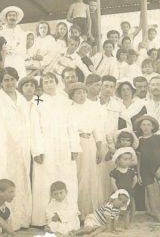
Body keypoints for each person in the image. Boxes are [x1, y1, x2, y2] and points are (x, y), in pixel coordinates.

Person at [0, 67, 43, 230]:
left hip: (21, 148)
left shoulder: (25, 102)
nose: (9, 83)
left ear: (16, 81)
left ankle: (19, 220)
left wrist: (35, 149)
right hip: (0, 148)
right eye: (6, 80)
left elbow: (32, 127)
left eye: (12, 80)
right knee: (0, 181)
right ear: (1, 82)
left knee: (20, 181)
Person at [32, 72, 80, 227]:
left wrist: (74, 146)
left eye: (51, 81)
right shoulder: (37, 101)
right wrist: (37, 150)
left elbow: (72, 125)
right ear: (42, 85)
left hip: (64, 143)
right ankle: (43, 219)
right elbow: (35, 127)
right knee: (45, 179)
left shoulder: (66, 100)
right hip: (46, 143)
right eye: (45, 82)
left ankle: (70, 218)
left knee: (67, 177)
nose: (49, 84)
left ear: (56, 82)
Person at [66, 82, 104, 220]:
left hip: (91, 143)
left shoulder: (92, 108)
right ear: (72, 96)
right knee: (80, 176)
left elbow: (97, 129)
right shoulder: (70, 109)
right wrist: (73, 147)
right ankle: (80, 212)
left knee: (92, 176)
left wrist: (99, 148)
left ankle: (92, 212)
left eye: (83, 92)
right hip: (77, 143)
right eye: (78, 93)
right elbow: (70, 129)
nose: (81, 95)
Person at [135, 115, 160, 222]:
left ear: (153, 127)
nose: (146, 127)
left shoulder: (158, 138)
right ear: (140, 127)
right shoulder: (138, 141)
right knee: (151, 194)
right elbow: (139, 159)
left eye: (148, 125)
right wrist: (139, 174)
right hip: (145, 171)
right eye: (143, 125)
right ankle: (158, 215)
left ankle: (154, 210)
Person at [110, 147, 137, 227]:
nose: (127, 161)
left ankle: (128, 223)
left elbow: (135, 180)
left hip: (128, 192)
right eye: (125, 159)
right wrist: (117, 192)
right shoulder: (115, 172)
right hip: (118, 193)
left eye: (129, 159)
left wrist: (130, 188)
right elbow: (113, 182)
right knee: (116, 208)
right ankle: (115, 223)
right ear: (118, 160)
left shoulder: (130, 171)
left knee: (129, 207)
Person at [0, 6, 27, 78]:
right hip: (5, 58)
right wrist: (6, 50)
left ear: (16, 18)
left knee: (19, 75)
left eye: (14, 15)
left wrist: (16, 51)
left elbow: (23, 46)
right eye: (10, 15)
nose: (12, 17)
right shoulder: (2, 32)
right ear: (6, 18)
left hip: (18, 58)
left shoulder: (21, 32)